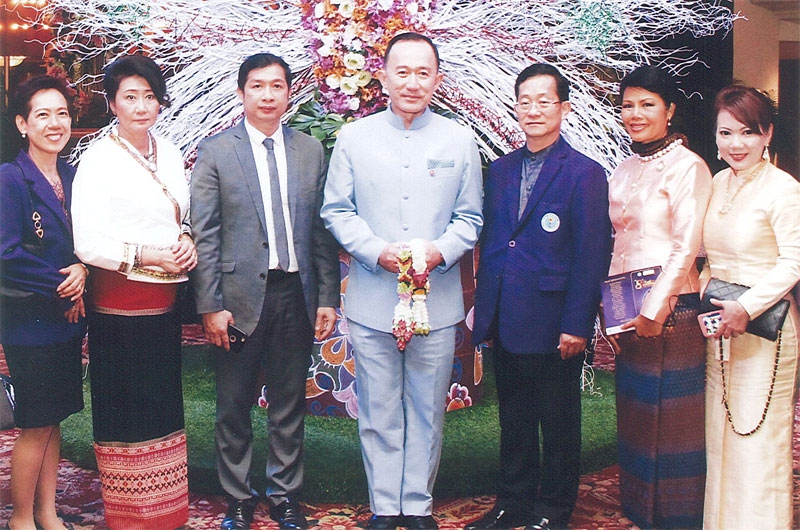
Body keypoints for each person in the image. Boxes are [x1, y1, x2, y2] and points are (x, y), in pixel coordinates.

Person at [321, 32, 483, 530]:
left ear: (437, 78)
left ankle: (418, 504)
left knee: (427, 407)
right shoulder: (355, 137)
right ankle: (385, 505)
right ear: (384, 75)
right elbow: (337, 210)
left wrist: (439, 252)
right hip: (372, 298)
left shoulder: (458, 139)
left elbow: (471, 218)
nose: (413, 83)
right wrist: (377, 252)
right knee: (377, 407)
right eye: (403, 72)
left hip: (436, 301)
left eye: (423, 72)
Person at [191, 53, 340, 530]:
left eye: (277, 85)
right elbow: (206, 235)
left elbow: (320, 231)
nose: (268, 95)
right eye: (257, 86)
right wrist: (210, 305)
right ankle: (237, 498)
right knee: (233, 404)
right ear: (241, 93)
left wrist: (327, 298)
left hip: (294, 295)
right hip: (235, 302)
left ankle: (284, 496)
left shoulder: (309, 151)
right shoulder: (215, 151)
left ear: (288, 93)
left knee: (288, 401)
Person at [467, 64, 612, 530]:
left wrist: (577, 324)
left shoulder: (585, 173)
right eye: (524, 101)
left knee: (559, 422)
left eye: (544, 101)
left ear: (564, 108)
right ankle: (511, 504)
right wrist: (484, 313)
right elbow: (495, 242)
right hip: (507, 317)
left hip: (555, 322)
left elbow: (591, 255)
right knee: (514, 421)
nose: (533, 110)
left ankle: (553, 510)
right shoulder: (502, 169)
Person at [71, 54, 196, 529]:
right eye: (130, 97)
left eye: (149, 96)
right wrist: (147, 255)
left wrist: (185, 241)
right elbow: (88, 242)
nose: (141, 106)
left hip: (165, 305)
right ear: (111, 103)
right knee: (126, 411)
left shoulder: (169, 149)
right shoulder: (98, 159)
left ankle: (166, 514)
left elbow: (179, 216)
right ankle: (130, 517)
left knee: (162, 405)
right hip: (118, 306)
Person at [607, 65, 712, 528]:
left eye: (647, 104)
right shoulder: (626, 166)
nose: (635, 114)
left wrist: (654, 310)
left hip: (672, 310)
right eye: (628, 104)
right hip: (626, 309)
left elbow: (686, 246)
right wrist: (611, 314)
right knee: (636, 413)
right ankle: (639, 510)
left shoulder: (689, 167)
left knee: (672, 425)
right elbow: (620, 242)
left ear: (670, 110)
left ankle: (675, 517)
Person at [701, 85, 800, 529]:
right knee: (720, 439)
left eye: (748, 132)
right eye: (726, 132)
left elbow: (794, 261)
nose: (735, 144)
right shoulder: (719, 182)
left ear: (767, 135)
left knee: (757, 441)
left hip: (767, 332)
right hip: (719, 330)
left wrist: (748, 306)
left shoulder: (784, 190)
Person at [0, 76, 87, 530]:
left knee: (54, 419)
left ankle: (48, 513)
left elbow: (86, 245)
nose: (55, 124)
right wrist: (66, 281)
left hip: (66, 323)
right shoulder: (10, 179)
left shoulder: (73, 176)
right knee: (35, 421)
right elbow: (5, 254)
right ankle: (20, 519)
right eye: (42, 115)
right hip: (29, 322)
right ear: (22, 123)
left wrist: (83, 271)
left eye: (62, 114)